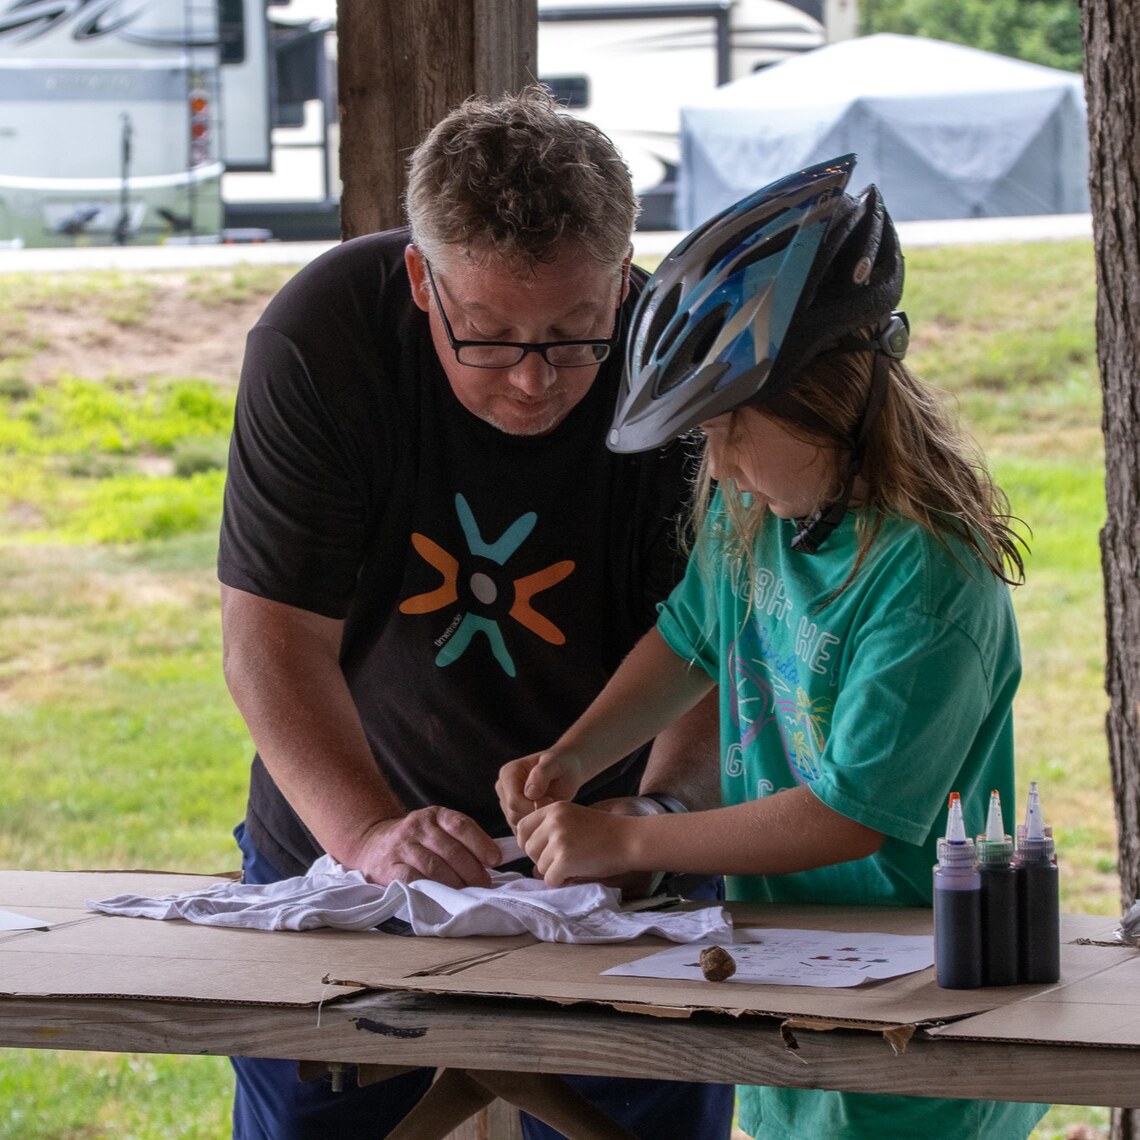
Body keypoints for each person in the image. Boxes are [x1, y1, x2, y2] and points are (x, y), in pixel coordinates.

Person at [216, 86, 734, 1140]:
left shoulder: (683, 360)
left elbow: (711, 637)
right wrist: (365, 834)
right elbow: (270, 639)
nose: (537, 379)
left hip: (620, 846)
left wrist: (665, 817)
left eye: (577, 332)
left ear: (625, 280)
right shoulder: (324, 339)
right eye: (491, 338)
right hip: (344, 834)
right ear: (422, 279)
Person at [498, 154, 1050, 1139]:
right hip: (799, 986)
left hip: (925, 1028)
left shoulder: (926, 582)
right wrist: (575, 756)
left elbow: (848, 815)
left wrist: (626, 839)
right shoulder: (753, 513)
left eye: (730, 428)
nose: (716, 463)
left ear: (825, 400)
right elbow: (690, 641)